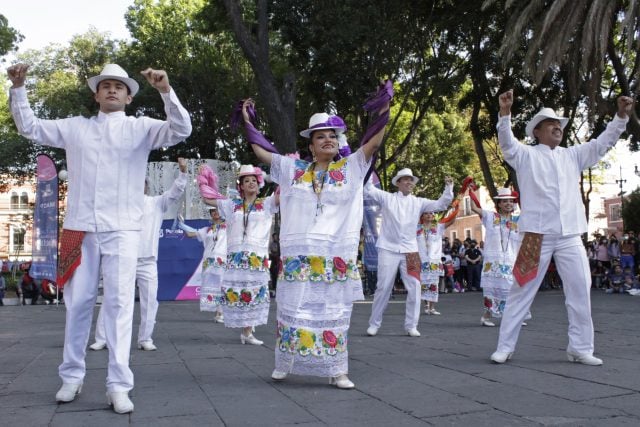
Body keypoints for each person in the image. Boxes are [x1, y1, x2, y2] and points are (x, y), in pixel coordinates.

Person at [7, 63, 192, 413]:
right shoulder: (75, 128)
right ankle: (72, 377)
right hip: (79, 227)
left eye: (119, 87)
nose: (111, 90)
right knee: (77, 304)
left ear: (129, 97)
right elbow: (30, 127)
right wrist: (18, 89)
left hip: (123, 228)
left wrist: (166, 91)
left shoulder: (142, 129)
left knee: (120, 304)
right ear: (96, 94)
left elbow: (181, 128)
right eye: (105, 85)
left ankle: (119, 384)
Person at [243, 81, 392, 389]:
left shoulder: (351, 168)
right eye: (320, 136)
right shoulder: (292, 169)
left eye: (332, 135)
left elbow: (373, 143)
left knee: (335, 312)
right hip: (299, 259)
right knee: (291, 310)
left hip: (334, 258)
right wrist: (247, 121)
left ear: (338, 141)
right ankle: (284, 363)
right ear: (310, 145)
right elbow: (261, 151)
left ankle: (338, 370)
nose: (327, 140)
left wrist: (384, 106)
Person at [490, 89, 633, 366]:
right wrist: (504, 115)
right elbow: (506, 145)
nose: (558, 126)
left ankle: (580, 348)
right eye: (551, 123)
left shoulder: (573, 155)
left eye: (559, 124)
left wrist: (621, 117)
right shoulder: (525, 155)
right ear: (538, 132)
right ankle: (505, 347)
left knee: (581, 289)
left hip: (569, 236)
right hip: (535, 236)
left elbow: (604, 143)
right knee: (521, 291)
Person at [89, 158, 189, 352]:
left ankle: (145, 338)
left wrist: (183, 173)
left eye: (141, 183)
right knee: (112, 298)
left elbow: (175, 193)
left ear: (146, 186)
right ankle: (102, 338)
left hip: (148, 261)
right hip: (124, 259)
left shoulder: (156, 203)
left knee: (150, 301)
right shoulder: (119, 205)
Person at [366, 169, 454, 338]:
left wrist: (448, 187)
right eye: (405, 180)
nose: (409, 182)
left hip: (411, 250)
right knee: (383, 287)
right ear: (398, 183)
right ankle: (374, 323)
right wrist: (368, 167)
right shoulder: (387, 198)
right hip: (388, 248)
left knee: (414, 287)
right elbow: (368, 189)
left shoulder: (419, 202)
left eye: (411, 180)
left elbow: (441, 204)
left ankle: (411, 325)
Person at [200, 164, 277, 345]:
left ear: (259, 185)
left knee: (254, 292)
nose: (250, 183)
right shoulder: (231, 205)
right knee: (240, 292)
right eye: (246, 181)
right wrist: (203, 178)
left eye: (254, 180)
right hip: (236, 257)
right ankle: (246, 331)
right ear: (240, 186)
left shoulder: (266, 203)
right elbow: (207, 198)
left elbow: (286, 191)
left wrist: (268, 176)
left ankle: (247, 332)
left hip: (256, 257)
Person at [470, 187, 522, 327]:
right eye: (505, 201)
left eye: (511, 201)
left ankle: (512, 317)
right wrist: (469, 190)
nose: (508, 204)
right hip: (493, 261)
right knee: (491, 290)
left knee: (512, 290)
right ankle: (486, 317)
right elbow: (474, 207)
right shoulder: (491, 217)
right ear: (499, 204)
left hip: (511, 260)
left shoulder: (520, 219)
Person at [178, 205, 227, 323]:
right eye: (212, 211)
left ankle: (221, 313)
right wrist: (181, 224)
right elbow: (190, 234)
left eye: (217, 210)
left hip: (223, 259)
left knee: (223, 285)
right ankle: (218, 312)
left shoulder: (228, 228)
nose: (215, 213)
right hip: (209, 260)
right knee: (214, 286)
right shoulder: (207, 230)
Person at [417, 211, 456, 316]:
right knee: (424, 284)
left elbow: (451, 221)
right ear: (422, 216)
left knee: (434, 284)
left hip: (434, 260)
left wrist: (456, 208)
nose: (429, 215)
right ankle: (426, 306)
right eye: (426, 214)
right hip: (422, 260)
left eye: (431, 213)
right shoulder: (416, 228)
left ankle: (432, 307)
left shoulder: (438, 227)